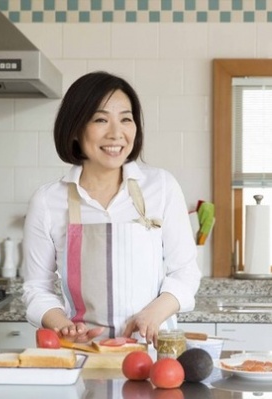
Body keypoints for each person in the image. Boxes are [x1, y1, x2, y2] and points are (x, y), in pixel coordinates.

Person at [22, 71, 202, 345]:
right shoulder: (48, 201)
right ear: (75, 128)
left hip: (152, 354)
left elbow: (185, 272)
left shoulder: (161, 186)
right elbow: (37, 287)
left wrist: (153, 315)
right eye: (101, 119)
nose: (116, 134)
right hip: (85, 354)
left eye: (126, 119)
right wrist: (64, 325)